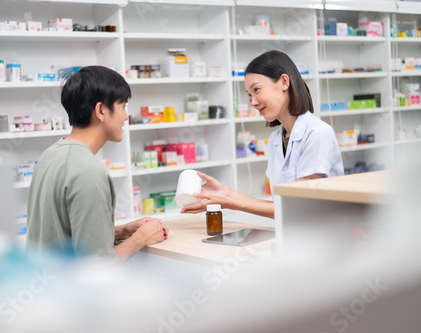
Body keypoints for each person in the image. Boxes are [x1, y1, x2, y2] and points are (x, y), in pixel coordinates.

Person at [26, 66, 168, 262]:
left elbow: (62, 233)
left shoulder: (50, 155)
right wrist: (140, 239)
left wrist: (120, 232)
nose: (126, 116)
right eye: (123, 106)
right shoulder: (88, 171)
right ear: (101, 110)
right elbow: (98, 268)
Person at [181, 50, 344, 219]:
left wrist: (230, 203)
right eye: (250, 95)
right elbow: (281, 205)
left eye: (257, 90)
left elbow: (297, 206)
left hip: (325, 236)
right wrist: (225, 193)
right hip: (294, 234)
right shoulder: (275, 140)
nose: (253, 102)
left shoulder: (317, 133)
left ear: (284, 82)